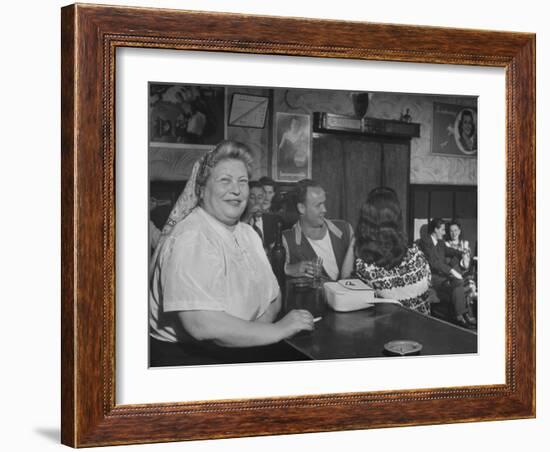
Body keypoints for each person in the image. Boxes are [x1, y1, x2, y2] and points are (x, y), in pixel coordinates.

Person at [149, 141, 315, 366]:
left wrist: (257, 331)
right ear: (201, 189)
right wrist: (276, 330)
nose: (236, 190)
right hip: (191, 362)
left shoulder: (248, 233)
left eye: (242, 181)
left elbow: (274, 296)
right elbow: (201, 324)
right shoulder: (192, 237)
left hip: (241, 349)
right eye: (225, 180)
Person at [346, 187, 433, 315]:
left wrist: (356, 236)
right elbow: (429, 286)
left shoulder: (366, 267)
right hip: (424, 330)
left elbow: (343, 284)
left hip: (392, 333)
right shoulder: (417, 255)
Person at [282, 179, 353, 282]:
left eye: (324, 203)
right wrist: (288, 269)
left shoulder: (345, 229)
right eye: (318, 205)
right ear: (301, 208)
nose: (324, 210)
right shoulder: (287, 240)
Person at [420, 218, 476, 327]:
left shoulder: (441, 243)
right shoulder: (426, 242)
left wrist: (462, 253)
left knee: (458, 283)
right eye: (442, 230)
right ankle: (462, 315)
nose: (445, 233)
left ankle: (460, 315)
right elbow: (434, 263)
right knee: (458, 281)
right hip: (433, 277)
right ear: (435, 230)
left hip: (443, 276)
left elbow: (450, 251)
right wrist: (451, 271)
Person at [241, 181, 280, 251]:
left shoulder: (272, 220)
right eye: (252, 197)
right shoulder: (239, 220)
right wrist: (248, 217)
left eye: (260, 197)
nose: (257, 202)